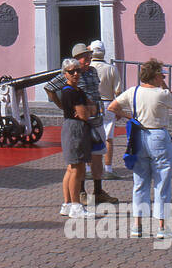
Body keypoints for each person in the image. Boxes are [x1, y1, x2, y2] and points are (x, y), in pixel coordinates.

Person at [108, 58, 172, 240]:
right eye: (161, 74)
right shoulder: (162, 93)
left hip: (139, 136)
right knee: (162, 181)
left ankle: (137, 225)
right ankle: (162, 226)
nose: (163, 77)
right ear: (155, 76)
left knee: (140, 181)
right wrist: (164, 83)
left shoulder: (133, 91)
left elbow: (112, 106)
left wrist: (128, 116)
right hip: (158, 135)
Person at [46, 43, 116, 205]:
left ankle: (98, 191)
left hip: (96, 119)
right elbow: (49, 87)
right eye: (85, 57)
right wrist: (63, 106)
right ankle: (81, 192)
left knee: (98, 156)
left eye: (89, 56)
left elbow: (95, 92)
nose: (88, 59)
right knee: (81, 159)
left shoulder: (92, 71)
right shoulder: (69, 74)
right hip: (82, 123)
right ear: (77, 59)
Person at [56, 58, 96, 219]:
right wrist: (88, 110)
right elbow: (86, 114)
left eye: (77, 71)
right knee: (77, 169)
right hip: (76, 129)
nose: (75, 74)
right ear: (65, 74)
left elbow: (91, 106)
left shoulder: (76, 91)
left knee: (71, 168)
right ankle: (76, 206)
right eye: (71, 71)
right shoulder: (72, 92)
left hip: (72, 127)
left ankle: (67, 204)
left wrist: (88, 109)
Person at [89, 40, 122, 176]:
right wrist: (119, 109)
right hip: (108, 103)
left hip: (91, 103)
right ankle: (108, 168)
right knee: (108, 137)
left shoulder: (87, 67)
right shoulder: (111, 68)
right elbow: (118, 91)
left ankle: (88, 169)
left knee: (90, 136)